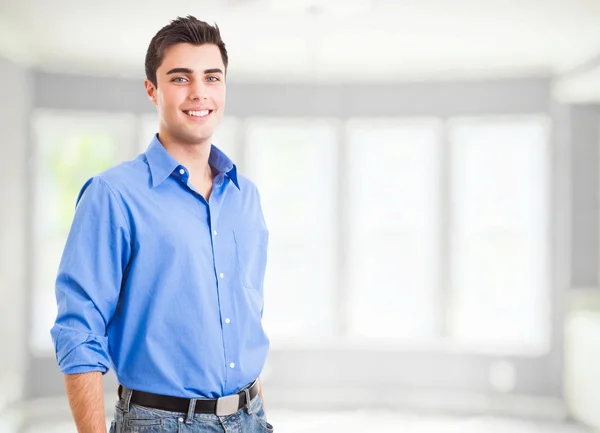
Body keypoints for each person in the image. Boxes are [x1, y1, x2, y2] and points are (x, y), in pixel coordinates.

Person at [51, 15, 273, 433]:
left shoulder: (247, 198)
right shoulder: (113, 195)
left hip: (250, 417)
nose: (199, 93)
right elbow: (78, 329)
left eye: (212, 77)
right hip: (160, 423)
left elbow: (246, 317)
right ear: (152, 90)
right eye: (180, 78)